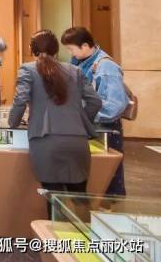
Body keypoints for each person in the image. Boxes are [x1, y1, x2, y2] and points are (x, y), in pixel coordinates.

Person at [9, 30, 102, 213]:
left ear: (32, 49)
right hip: (77, 142)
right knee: (80, 200)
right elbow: (95, 102)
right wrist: (80, 121)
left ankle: (56, 232)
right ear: (56, 50)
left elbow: (20, 101)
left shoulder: (27, 69)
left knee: (54, 203)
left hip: (45, 142)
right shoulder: (75, 70)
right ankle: (83, 231)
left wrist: (13, 123)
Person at [61, 26, 129, 196]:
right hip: (89, 122)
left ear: (85, 46)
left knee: (108, 170)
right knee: (93, 167)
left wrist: (87, 114)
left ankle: (109, 202)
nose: (70, 53)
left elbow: (115, 104)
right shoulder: (79, 61)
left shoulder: (106, 67)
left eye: (71, 49)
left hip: (105, 126)